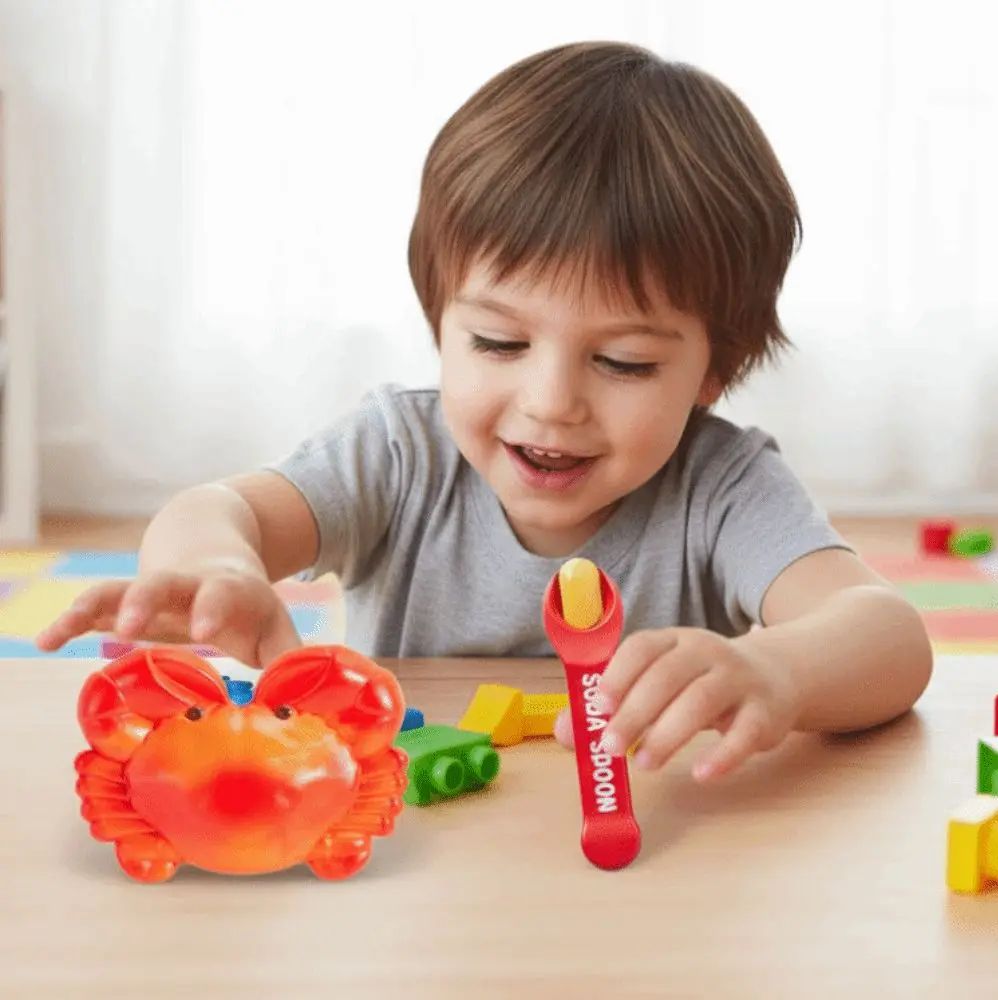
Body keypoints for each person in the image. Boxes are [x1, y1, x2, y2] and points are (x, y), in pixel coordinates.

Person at [36, 41, 933, 782]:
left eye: (623, 361)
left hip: (654, 859)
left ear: (714, 369)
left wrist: (775, 670)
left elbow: (890, 639)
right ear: (439, 318)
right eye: (498, 344)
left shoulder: (724, 484)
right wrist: (215, 571)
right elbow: (216, 512)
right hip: (416, 850)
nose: (550, 403)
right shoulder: (398, 451)